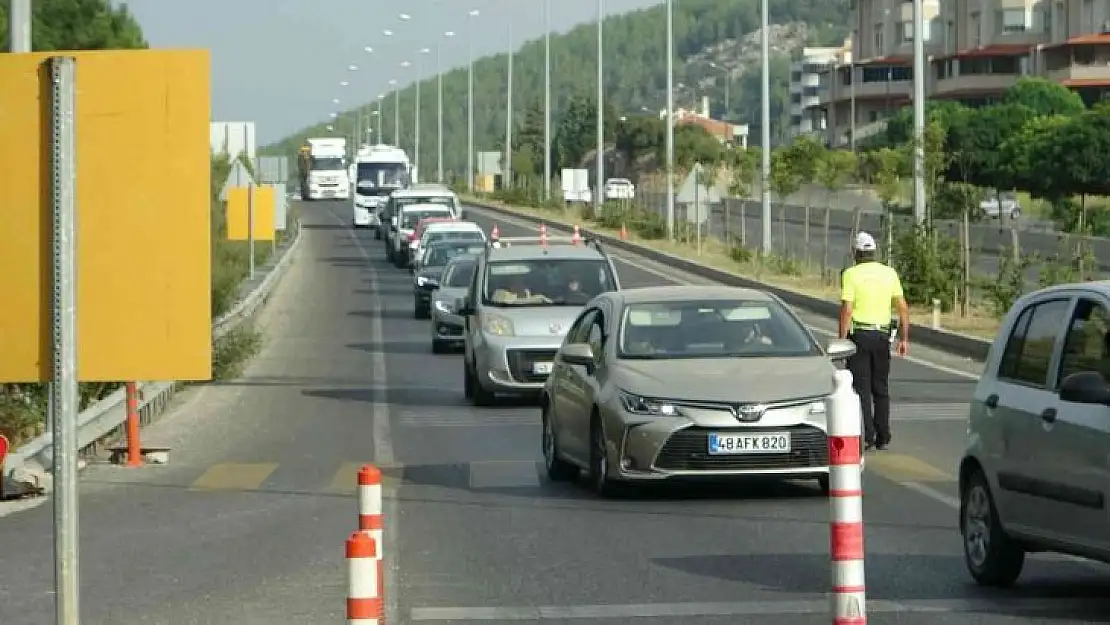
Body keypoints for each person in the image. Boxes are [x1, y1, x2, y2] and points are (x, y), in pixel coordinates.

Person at [838, 232, 909, 451]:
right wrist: (904, 338)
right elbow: (903, 307)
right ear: (874, 252)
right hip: (882, 337)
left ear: (856, 253)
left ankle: (868, 435)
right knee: (881, 387)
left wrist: (841, 340)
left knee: (862, 388)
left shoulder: (850, 274)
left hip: (859, 336)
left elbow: (847, 310)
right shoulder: (889, 273)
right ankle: (883, 435)